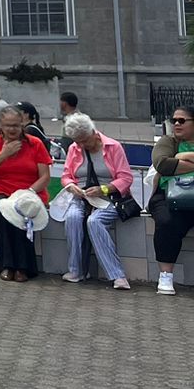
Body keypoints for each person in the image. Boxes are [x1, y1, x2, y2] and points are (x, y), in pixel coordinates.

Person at [0, 104, 54, 283]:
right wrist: (4, 154)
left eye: (16, 126)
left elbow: (45, 177)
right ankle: (7, 266)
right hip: (1, 191)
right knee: (5, 214)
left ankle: (23, 268)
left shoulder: (35, 144)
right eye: (8, 126)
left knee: (22, 212)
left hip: (29, 192)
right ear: (0, 126)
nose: (12, 130)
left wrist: (28, 192)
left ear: (22, 126)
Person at [57, 112, 133, 290]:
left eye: (84, 140)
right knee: (73, 218)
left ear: (93, 132)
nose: (81, 145)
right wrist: (71, 186)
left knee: (94, 221)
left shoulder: (113, 147)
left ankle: (117, 275)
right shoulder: (74, 149)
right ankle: (76, 270)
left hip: (109, 198)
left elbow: (126, 178)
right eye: (77, 141)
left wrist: (104, 189)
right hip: (81, 196)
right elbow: (66, 176)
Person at [150, 105, 194, 296]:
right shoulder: (168, 141)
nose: (176, 123)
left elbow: (173, 163)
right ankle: (166, 276)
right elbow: (163, 165)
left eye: (182, 120)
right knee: (167, 222)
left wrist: (181, 158)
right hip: (168, 196)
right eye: (174, 120)